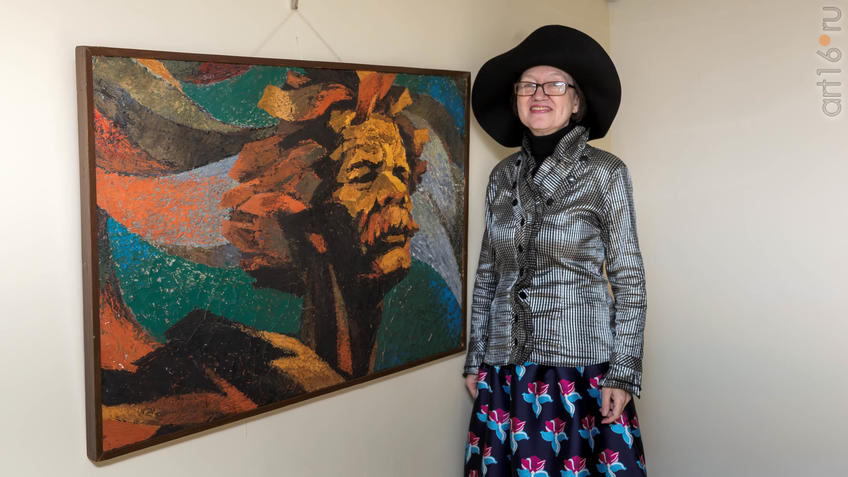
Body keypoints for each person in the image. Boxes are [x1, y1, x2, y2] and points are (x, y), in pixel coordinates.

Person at [463, 25, 647, 476]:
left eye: (555, 85)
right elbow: (488, 275)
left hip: (579, 370)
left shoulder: (605, 173)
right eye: (528, 85)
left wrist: (623, 372)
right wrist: (476, 360)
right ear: (516, 100)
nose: (539, 94)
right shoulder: (502, 176)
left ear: (576, 102)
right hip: (504, 369)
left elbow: (629, 278)